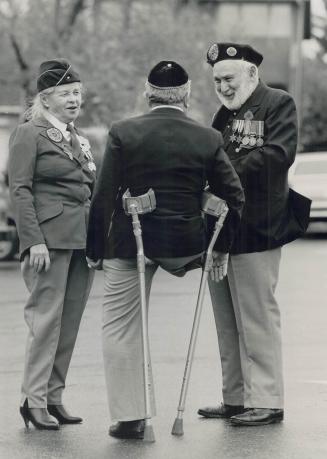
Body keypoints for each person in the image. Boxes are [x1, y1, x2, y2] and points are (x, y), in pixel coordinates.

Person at [86, 60, 245, 439]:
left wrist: (94, 249)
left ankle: (131, 417)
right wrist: (218, 248)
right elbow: (234, 196)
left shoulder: (124, 131)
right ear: (187, 96)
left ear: (147, 94)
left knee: (121, 327)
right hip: (187, 246)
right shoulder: (207, 137)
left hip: (132, 242)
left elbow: (104, 196)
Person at [198, 43, 311, 426]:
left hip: (259, 228)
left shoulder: (278, 103)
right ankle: (235, 397)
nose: (223, 86)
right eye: (217, 80)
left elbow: (279, 155)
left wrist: (223, 172)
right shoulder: (223, 115)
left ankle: (266, 399)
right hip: (221, 229)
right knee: (227, 319)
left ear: (251, 74)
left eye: (229, 78)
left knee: (257, 316)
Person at [8, 58, 96, 430]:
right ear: (46, 99)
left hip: (81, 240)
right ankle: (33, 399)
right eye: (65, 94)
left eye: (77, 93)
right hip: (49, 241)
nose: (74, 99)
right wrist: (33, 242)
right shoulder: (30, 132)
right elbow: (20, 189)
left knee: (69, 322)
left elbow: (87, 186)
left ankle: (54, 396)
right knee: (46, 322)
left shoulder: (77, 136)